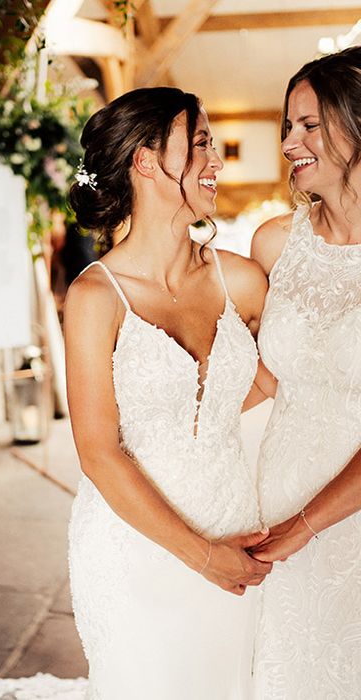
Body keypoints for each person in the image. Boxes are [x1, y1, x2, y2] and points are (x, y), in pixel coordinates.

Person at [64, 86, 272, 699]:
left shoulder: (242, 281)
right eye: (200, 143)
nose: (216, 161)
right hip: (134, 552)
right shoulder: (95, 298)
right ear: (146, 161)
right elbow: (98, 452)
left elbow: (272, 382)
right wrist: (203, 556)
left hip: (236, 530)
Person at [249, 46, 361, 698]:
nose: (290, 142)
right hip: (276, 500)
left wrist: (304, 529)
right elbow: (267, 377)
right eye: (287, 126)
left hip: (345, 521)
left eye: (309, 125)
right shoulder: (272, 243)